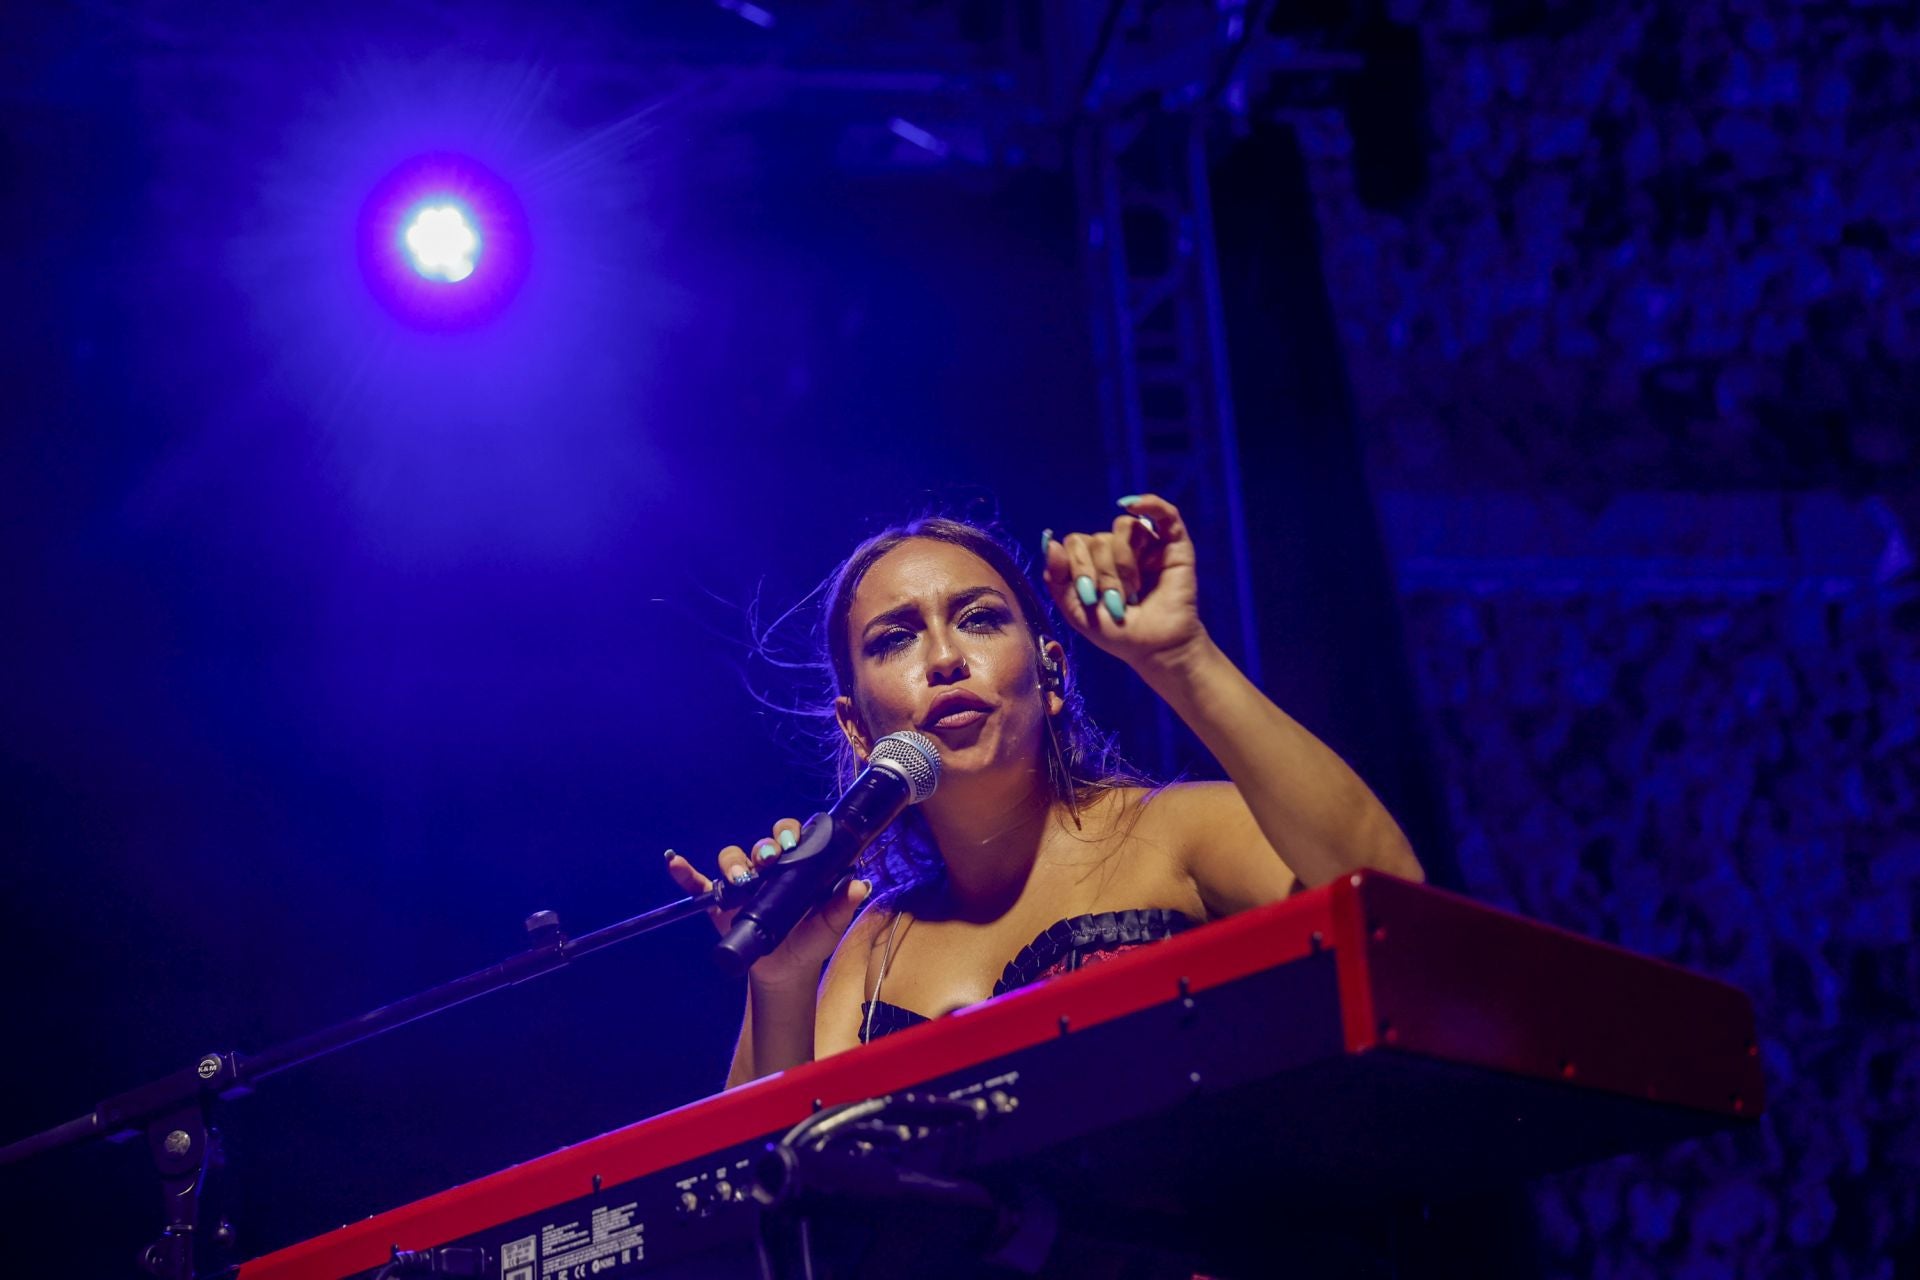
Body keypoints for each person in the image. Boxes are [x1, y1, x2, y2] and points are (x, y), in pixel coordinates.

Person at [664, 493, 1423, 1087]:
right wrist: (782, 979)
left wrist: (1180, 656)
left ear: (1050, 673)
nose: (944, 658)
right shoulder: (867, 948)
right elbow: (763, 1211)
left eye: (980, 620)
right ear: (859, 728)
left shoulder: (1178, 833)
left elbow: (1396, 906)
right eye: (895, 639)